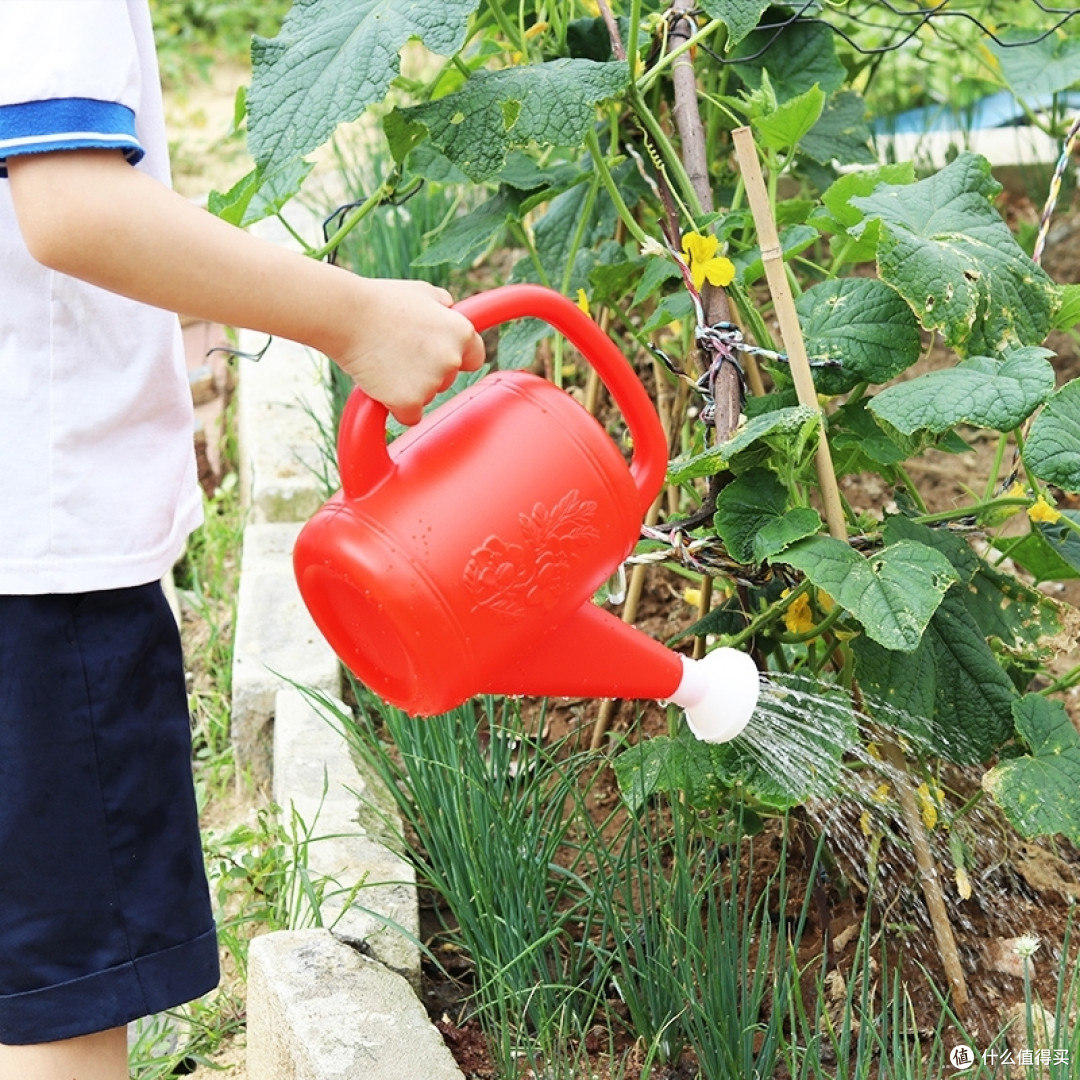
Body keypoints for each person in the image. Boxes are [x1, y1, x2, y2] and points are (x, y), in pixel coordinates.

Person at [0, 2, 485, 1077]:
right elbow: (69, 202)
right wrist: (351, 315)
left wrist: (178, 312)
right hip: (39, 560)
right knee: (57, 1006)